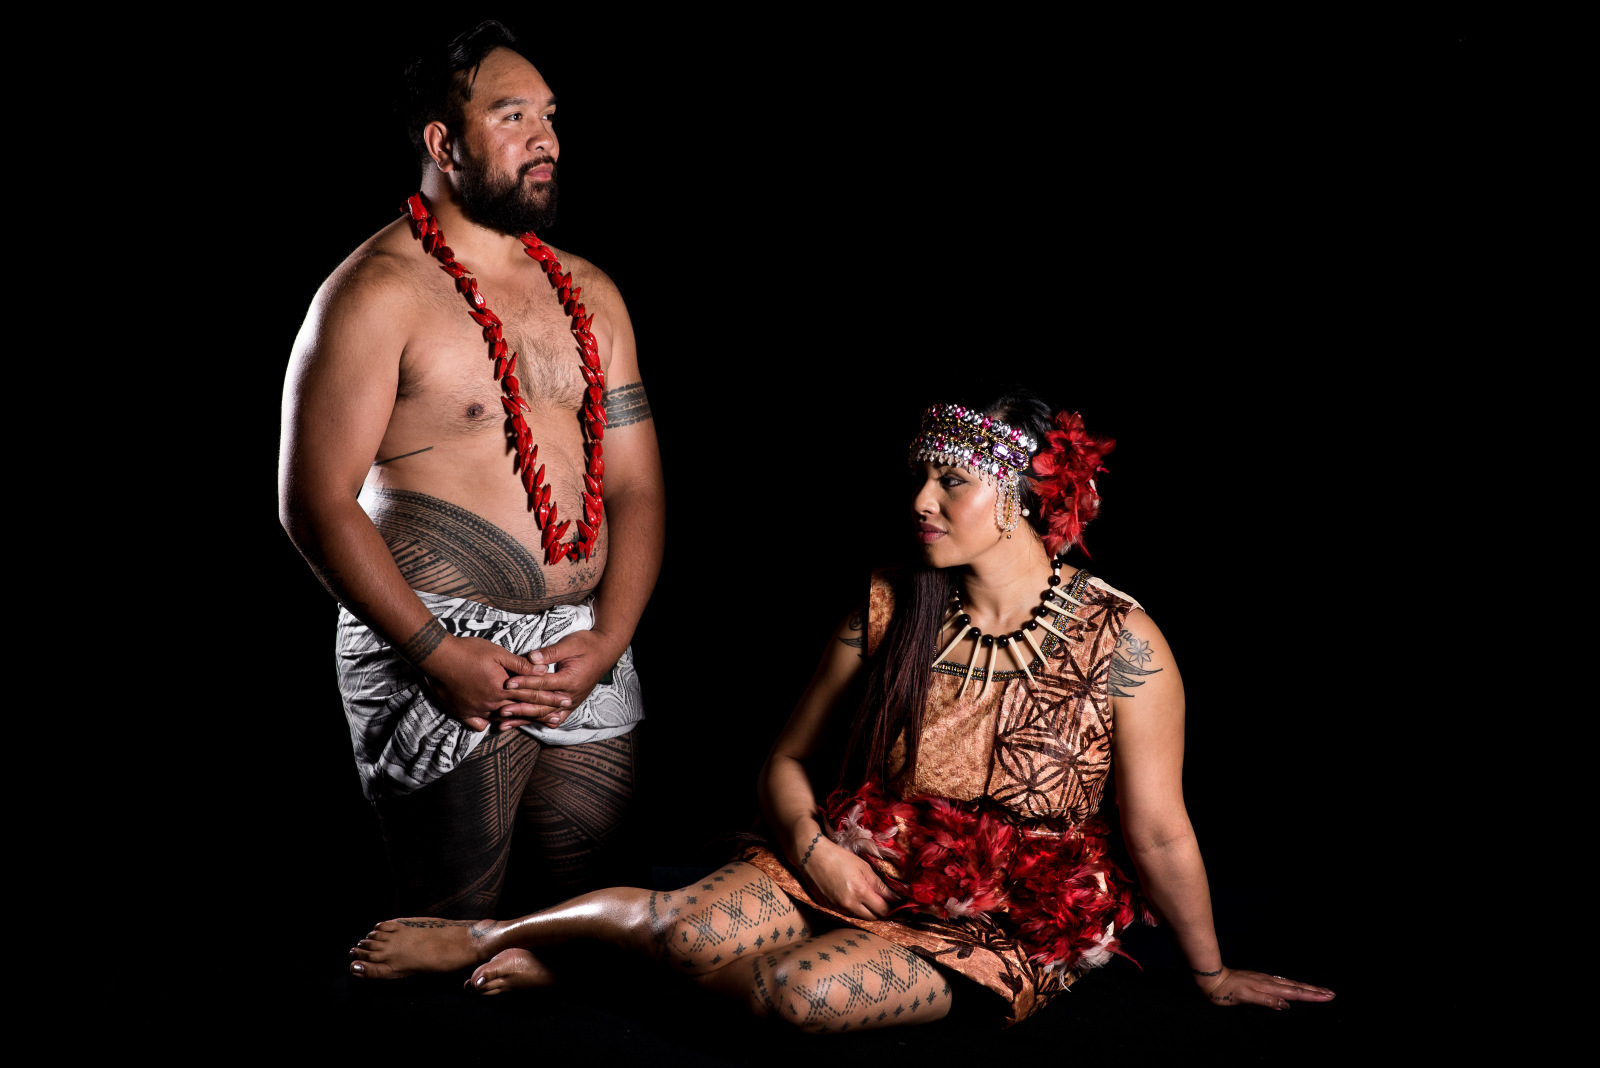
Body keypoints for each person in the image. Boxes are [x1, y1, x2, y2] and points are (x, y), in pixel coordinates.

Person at [345, 390, 1332, 1029]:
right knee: (686, 927)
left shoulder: (1124, 643)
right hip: (856, 857)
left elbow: (1157, 828)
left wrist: (1209, 975)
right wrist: (816, 851)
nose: (922, 500)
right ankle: (489, 934)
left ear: (1026, 502)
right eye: (921, 477)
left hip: (998, 920)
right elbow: (784, 763)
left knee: (796, 995)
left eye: (951, 482)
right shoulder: (889, 602)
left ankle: (588, 974)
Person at [279, 20, 664, 918]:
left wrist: (607, 638)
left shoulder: (593, 294)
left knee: (580, 934)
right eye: (513, 115)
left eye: (551, 116)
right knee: (452, 933)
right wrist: (435, 651)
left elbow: (637, 487)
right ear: (442, 144)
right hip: (436, 650)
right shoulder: (375, 292)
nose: (547, 138)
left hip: (580, 649)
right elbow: (313, 500)